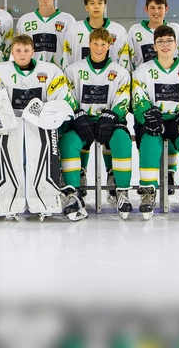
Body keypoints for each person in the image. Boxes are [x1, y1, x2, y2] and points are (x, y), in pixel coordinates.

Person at [0, 34, 75, 221]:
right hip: (9, 124)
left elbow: (63, 100)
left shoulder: (51, 70)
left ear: (33, 51)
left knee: (42, 158)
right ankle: (7, 200)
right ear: (12, 52)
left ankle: (45, 199)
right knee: (8, 158)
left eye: (26, 50)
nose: (22, 54)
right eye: (18, 50)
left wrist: (41, 115)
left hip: (39, 124)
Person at [60, 28, 133, 220]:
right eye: (95, 43)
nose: (99, 48)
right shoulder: (73, 70)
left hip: (109, 122)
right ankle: (72, 192)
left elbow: (124, 98)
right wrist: (77, 114)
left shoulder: (120, 72)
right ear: (89, 44)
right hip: (82, 120)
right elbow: (65, 95)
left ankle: (121, 190)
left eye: (103, 44)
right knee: (68, 141)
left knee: (122, 140)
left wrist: (111, 116)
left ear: (109, 46)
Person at [132, 25, 179, 220]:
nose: (165, 45)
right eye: (160, 42)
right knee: (149, 144)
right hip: (153, 120)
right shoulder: (142, 71)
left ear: (176, 45)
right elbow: (138, 97)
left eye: (169, 41)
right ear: (154, 46)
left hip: (177, 120)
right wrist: (147, 114)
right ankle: (148, 191)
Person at [16, 0, 76, 70]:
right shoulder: (24, 21)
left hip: (59, 74)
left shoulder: (68, 20)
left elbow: (73, 50)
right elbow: (19, 51)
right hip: (31, 76)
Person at [63, 0, 130, 71]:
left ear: (104, 6)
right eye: (92, 3)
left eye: (100, 3)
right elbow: (66, 60)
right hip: (80, 81)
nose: (96, 6)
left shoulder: (119, 31)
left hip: (110, 81)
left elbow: (124, 65)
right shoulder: (73, 30)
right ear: (86, 7)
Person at [127, 0, 179, 70]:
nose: (156, 11)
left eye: (160, 7)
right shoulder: (135, 31)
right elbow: (129, 61)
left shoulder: (177, 30)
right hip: (144, 79)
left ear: (166, 9)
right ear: (146, 9)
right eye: (152, 8)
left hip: (173, 80)